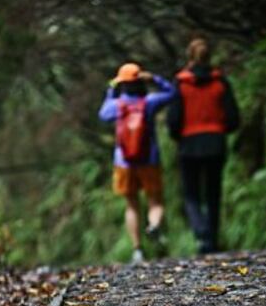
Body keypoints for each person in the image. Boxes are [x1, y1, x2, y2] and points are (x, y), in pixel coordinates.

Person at [167, 38, 240, 254]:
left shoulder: (181, 83)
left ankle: (201, 233)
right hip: (216, 142)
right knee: (213, 191)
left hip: (189, 144)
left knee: (191, 193)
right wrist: (220, 129)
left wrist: (177, 136)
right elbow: (233, 117)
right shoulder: (221, 82)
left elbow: (173, 118)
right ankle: (212, 239)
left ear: (190, 57)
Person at [99, 62, 175, 264]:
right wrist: (154, 79)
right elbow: (173, 93)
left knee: (132, 205)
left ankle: (137, 250)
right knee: (155, 201)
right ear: (140, 81)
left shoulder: (116, 106)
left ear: (121, 84)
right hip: (149, 158)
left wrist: (111, 91)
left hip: (123, 162)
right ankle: (154, 225)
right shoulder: (150, 102)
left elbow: (102, 114)